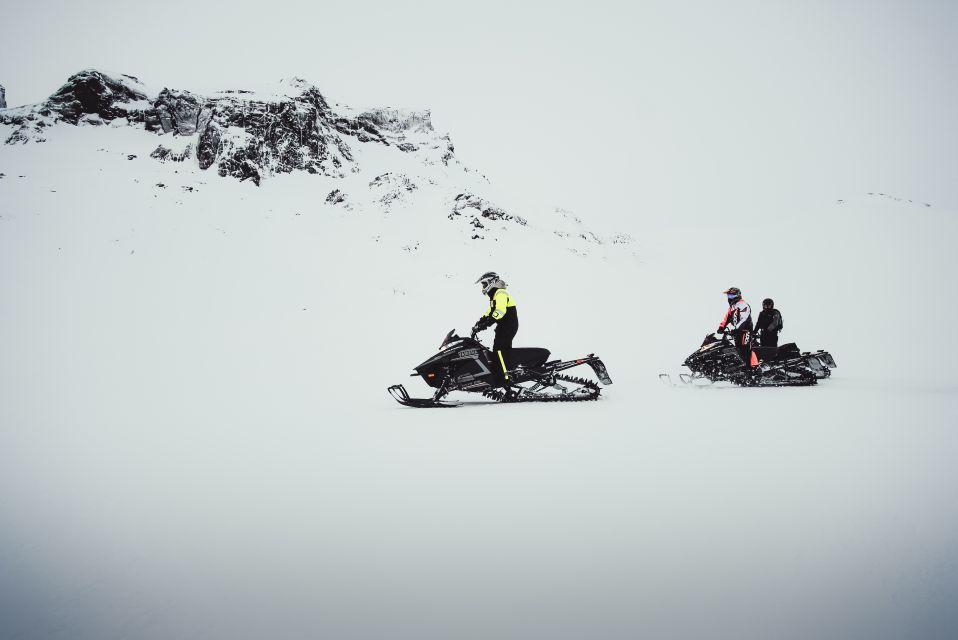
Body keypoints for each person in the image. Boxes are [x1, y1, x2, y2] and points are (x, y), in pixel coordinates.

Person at [473, 272, 518, 385]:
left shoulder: (501, 293)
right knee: (499, 349)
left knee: (499, 350)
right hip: (504, 326)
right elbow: (490, 312)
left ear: (492, 282)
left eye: (484, 284)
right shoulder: (495, 295)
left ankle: (505, 378)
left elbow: (500, 311)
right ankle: (501, 373)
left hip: (508, 326)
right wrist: (480, 323)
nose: (483, 287)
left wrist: (487, 324)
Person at [718, 286, 755, 366]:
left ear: (737, 295)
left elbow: (744, 319)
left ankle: (750, 370)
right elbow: (727, 318)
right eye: (728, 296)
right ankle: (740, 369)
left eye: (731, 296)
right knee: (737, 350)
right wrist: (721, 327)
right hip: (738, 331)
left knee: (745, 349)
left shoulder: (743, 304)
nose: (729, 298)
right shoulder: (732, 307)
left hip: (746, 330)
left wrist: (737, 329)